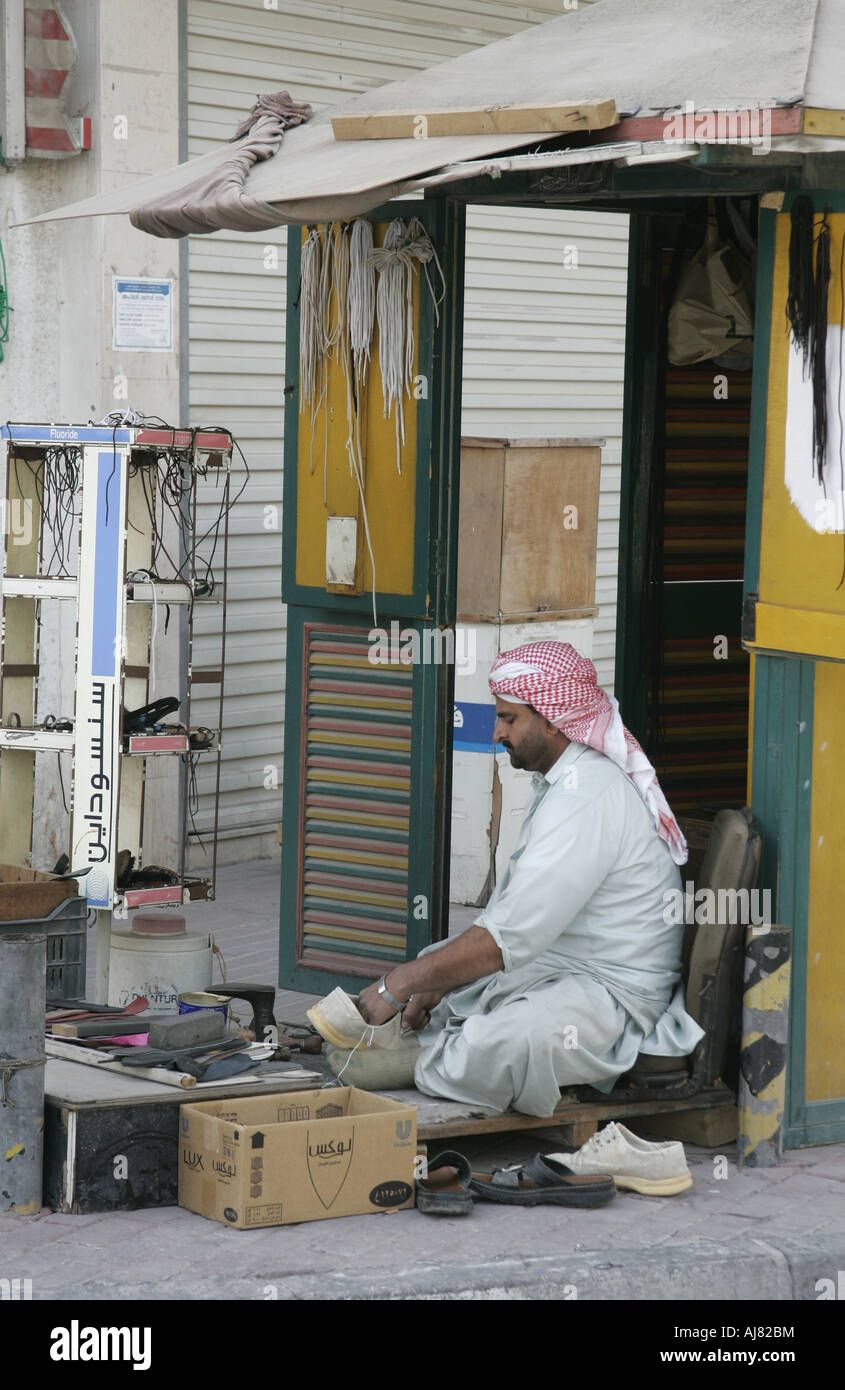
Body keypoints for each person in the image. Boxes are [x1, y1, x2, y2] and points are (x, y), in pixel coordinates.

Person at [344, 640, 704, 1118]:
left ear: (553, 718)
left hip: (612, 1000)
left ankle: (415, 1061)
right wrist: (431, 981)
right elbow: (509, 921)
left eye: (509, 719)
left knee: (498, 1041)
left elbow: (503, 940)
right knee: (441, 971)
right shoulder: (568, 780)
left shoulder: (586, 797)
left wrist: (399, 984)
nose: (496, 732)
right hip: (566, 967)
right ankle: (430, 1046)